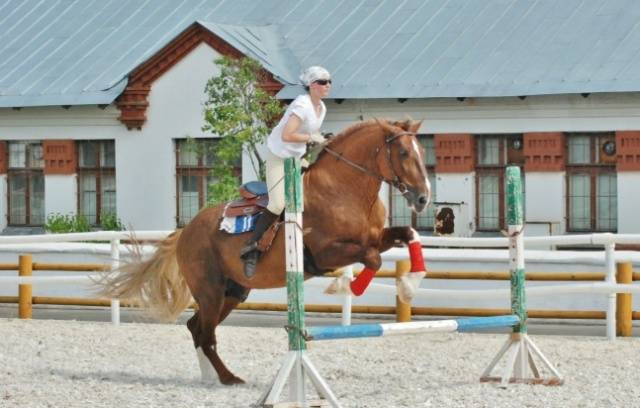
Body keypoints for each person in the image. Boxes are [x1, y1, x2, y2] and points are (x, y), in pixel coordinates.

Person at [240, 66, 332, 278]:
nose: (327, 85)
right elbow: (288, 136)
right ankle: (251, 246)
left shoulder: (322, 108)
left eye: (329, 81)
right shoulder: (301, 104)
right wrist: (312, 138)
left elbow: (308, 134)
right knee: (278, 203)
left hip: (297, 157)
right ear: (311, 85)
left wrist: (317, 141)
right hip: (278, 157)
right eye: (322, 81)